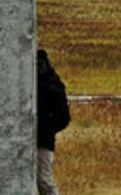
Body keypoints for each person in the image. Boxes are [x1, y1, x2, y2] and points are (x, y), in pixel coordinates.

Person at [37, 49, 70, 195]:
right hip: (34, 137)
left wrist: (48, 130)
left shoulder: (53, 86)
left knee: (43, 180)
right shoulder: (51, 84)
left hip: (43, 140)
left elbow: (64, 117)